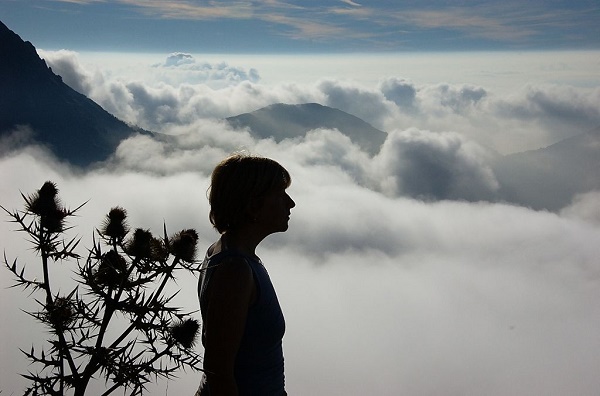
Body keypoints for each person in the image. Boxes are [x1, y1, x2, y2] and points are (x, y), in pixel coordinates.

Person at [196, 154, 295, 396]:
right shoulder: (236, 271)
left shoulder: (226, 254)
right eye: (280, 194)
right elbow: (218, 370)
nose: (290, 203)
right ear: (253, 205)